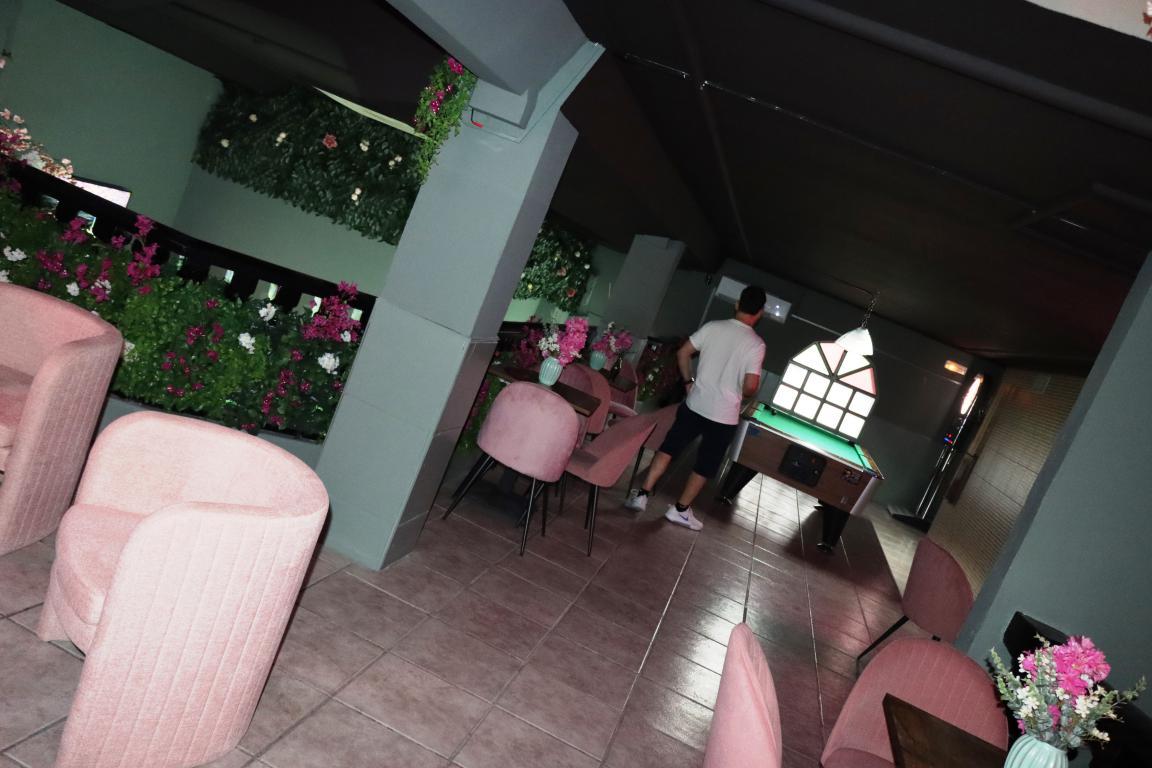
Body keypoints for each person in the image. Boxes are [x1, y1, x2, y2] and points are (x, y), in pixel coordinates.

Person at [625, 285, 767, 530]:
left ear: (737, 304)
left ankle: (642, 495)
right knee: (705, 464)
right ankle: (680, 510)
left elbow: (683, 353)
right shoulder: (756, 345)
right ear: (760, 313)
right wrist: (742, 391)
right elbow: (751, 387)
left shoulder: (713, 327)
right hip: (723, 416)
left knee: (669, 448)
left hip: (695, 403)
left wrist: (688, 381)